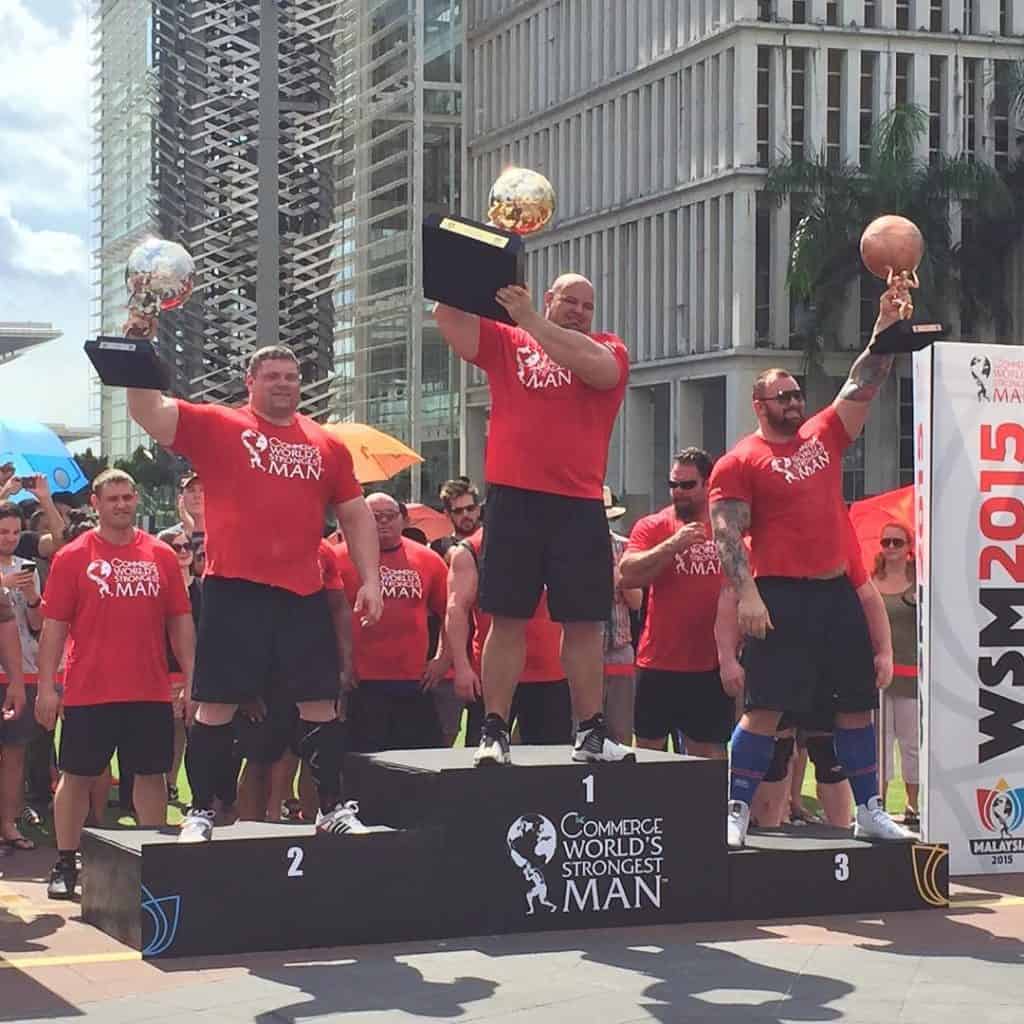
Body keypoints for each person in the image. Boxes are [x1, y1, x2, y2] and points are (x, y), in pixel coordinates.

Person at [125, 344, 382, 841]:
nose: (284, 384)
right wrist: (137, 352)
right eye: (273, 376)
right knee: (216, 706)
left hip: (302, 590)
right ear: (251, 381)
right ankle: (201, 811)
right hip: (234, 588)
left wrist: (369, 578)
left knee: (320, 704)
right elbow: (148, 412)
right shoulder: (220, 425)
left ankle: (331, 808)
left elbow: (354, 512)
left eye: (291, 376)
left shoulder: (325, 444)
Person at [709, 279, 912, 848]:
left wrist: (884, 327)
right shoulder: (739, 461)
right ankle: (735, 810)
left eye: (798, 394)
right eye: (783, 397)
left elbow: (863, 382)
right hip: (780, 596)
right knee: (765, 709)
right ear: (759, 405)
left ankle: (870, 809)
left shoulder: (823, 435)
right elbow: (727, 532)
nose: (795, 403)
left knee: (853, 707)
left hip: (835, 594)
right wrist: (747, 594)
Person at [433, 274, 632, 765]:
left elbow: (598, 370)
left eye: (588, 304)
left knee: (584, 622)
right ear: (548, 298)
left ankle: (589, 729)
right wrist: (466, 266)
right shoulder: (510, 339)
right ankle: (494, 728)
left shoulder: (608, 346)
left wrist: (528, 318)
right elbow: (449, 319)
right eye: (570, 300)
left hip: (579, 501)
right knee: (507, 616)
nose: (581, 311)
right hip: (515, 498)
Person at [35, 470, 195, 898]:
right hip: (90, 688)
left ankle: (150, 858)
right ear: (96, 503)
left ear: (136, 499)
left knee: (150, 776)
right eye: (113, 498)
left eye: (128, 497)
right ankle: (66, 862)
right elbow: (53, 626)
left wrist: (193, 675)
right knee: (78, 776)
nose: (122, 504)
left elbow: (180, 620)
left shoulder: (160, 554)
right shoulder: (74, 556)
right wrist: (48, 686)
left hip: (148, 689)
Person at [719, 512, 894, 829]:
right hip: (779, 650)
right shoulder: (755, 547)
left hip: (827, 653)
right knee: (775, 743)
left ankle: (854, 823)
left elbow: (867, 593)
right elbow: (729, 601)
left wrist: (885, 651)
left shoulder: (837, 546)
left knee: (827, 751)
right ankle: (749, 819)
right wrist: (727, 659)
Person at [620, 449, 732, 759]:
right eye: (673, 485)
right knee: (648, 756)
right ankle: (648, 810)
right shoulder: (653, 525)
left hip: (710, 665)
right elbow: (627, 574)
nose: (678, 492)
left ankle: (706, 810)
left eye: (687, 485)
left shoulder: (726, 527)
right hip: (658, 663)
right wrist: (673, 544)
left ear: (708, 484)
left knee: (708, 758)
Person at [337, 493, 449, 752]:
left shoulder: (429, 560)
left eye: (390, 516)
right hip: (360, 680)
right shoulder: (340, 558)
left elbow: (451, 613)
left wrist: (443, 658)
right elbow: (327, 616)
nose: (383, 523)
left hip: (413, 680)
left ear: (404, 519)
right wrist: (341, 664)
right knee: (360, 762)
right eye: (375, 518)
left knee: (417, 762)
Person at [447, 527, 571, 745]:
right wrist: (462, 667)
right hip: (494, 675)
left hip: (550, 674)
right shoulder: (471, 550)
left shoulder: (556, 541)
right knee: (485, 761)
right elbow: (456, 609)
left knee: (551, 763)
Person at [872, 520, 919, 826]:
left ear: (908, 548)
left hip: (912, 676)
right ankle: (880, 803)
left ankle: (913, 806)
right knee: (879, 746)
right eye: (886, 542)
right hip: (878, 677)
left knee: (911, 744)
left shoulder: (921, 583)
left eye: (897, 542)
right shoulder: (870, 582)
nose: (890, 548)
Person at [157, 526, 203, 803]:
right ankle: (166, 784)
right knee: (169, 733)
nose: (185, 551)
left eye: (188, 546)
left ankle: (192, 791)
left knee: (193, 734)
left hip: (195, 672)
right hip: (163, 670)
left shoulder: (202, 586)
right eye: (177, 546)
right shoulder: (160, 588)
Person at [603, 487, 642, 745]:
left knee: (619, 729)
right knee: (576, 729)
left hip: (618, 647)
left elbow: (636, 601)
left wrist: (618, 575)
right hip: (579, 651)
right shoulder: (568, 551)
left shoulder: (625, 548)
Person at [430, 478, 482, 563]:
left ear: (478, 510)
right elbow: (459, 557)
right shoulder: (441, 545)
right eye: (458, 511)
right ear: (448, 514)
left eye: (470, 508)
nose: (465, 514)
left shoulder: (491, 539)